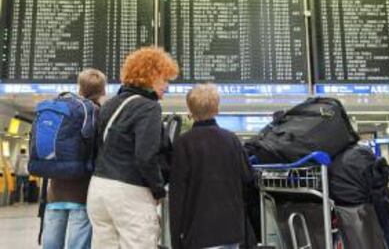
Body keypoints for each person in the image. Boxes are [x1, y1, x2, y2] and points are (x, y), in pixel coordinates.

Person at [87, 46, 179, 249]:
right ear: (151, 76)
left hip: (98, 190)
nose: (167, 86)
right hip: (129, 193)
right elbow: (145, 155)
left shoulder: (110, 104)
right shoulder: (148, 106)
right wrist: (158, 190)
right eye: (165, 79)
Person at [169, 83, 253, 249]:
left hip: (198, 232)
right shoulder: (232, 139)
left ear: (190, 112)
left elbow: (178, 194)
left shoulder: (183, 143)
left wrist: (176, 239)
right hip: (231, 230)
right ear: (217, 109)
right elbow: (247, 176)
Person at [42, 68, 107, 249]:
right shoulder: (96, 112)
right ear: (102, 91)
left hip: (55, 188)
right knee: (78, 243)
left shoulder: (61, 108)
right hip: (83, 190)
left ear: (79, 87)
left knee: (51, 241)